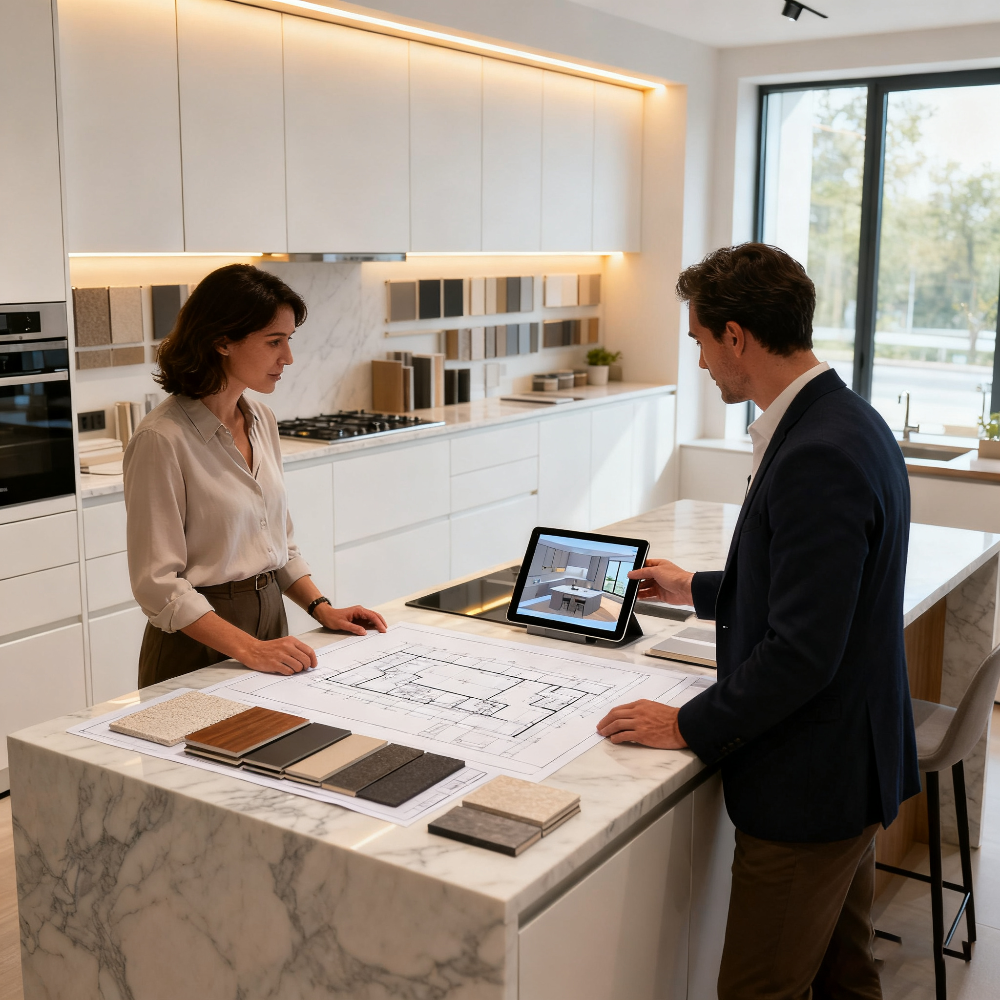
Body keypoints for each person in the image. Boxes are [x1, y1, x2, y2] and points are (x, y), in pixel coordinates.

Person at [597, 244, 919, 1000]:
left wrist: (686, 724)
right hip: (849, 766)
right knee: (845, 978)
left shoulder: (817, 452)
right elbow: (815, 589)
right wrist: (699, 588)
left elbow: (801, 652)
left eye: (701, 341)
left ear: (736, 337)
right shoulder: (844, 417)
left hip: (812, 783)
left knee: (757, 991)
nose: (702, 361)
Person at [124, 264, 386, 688]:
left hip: (271, 621)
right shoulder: (161, 439)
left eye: (289, 340)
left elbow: (277, 545)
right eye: (274, 341)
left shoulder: (262, 420)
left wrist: (321, 608)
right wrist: (248, 648)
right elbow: (158, 586)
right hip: (199, 640)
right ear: (222, 341)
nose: (288, 357)